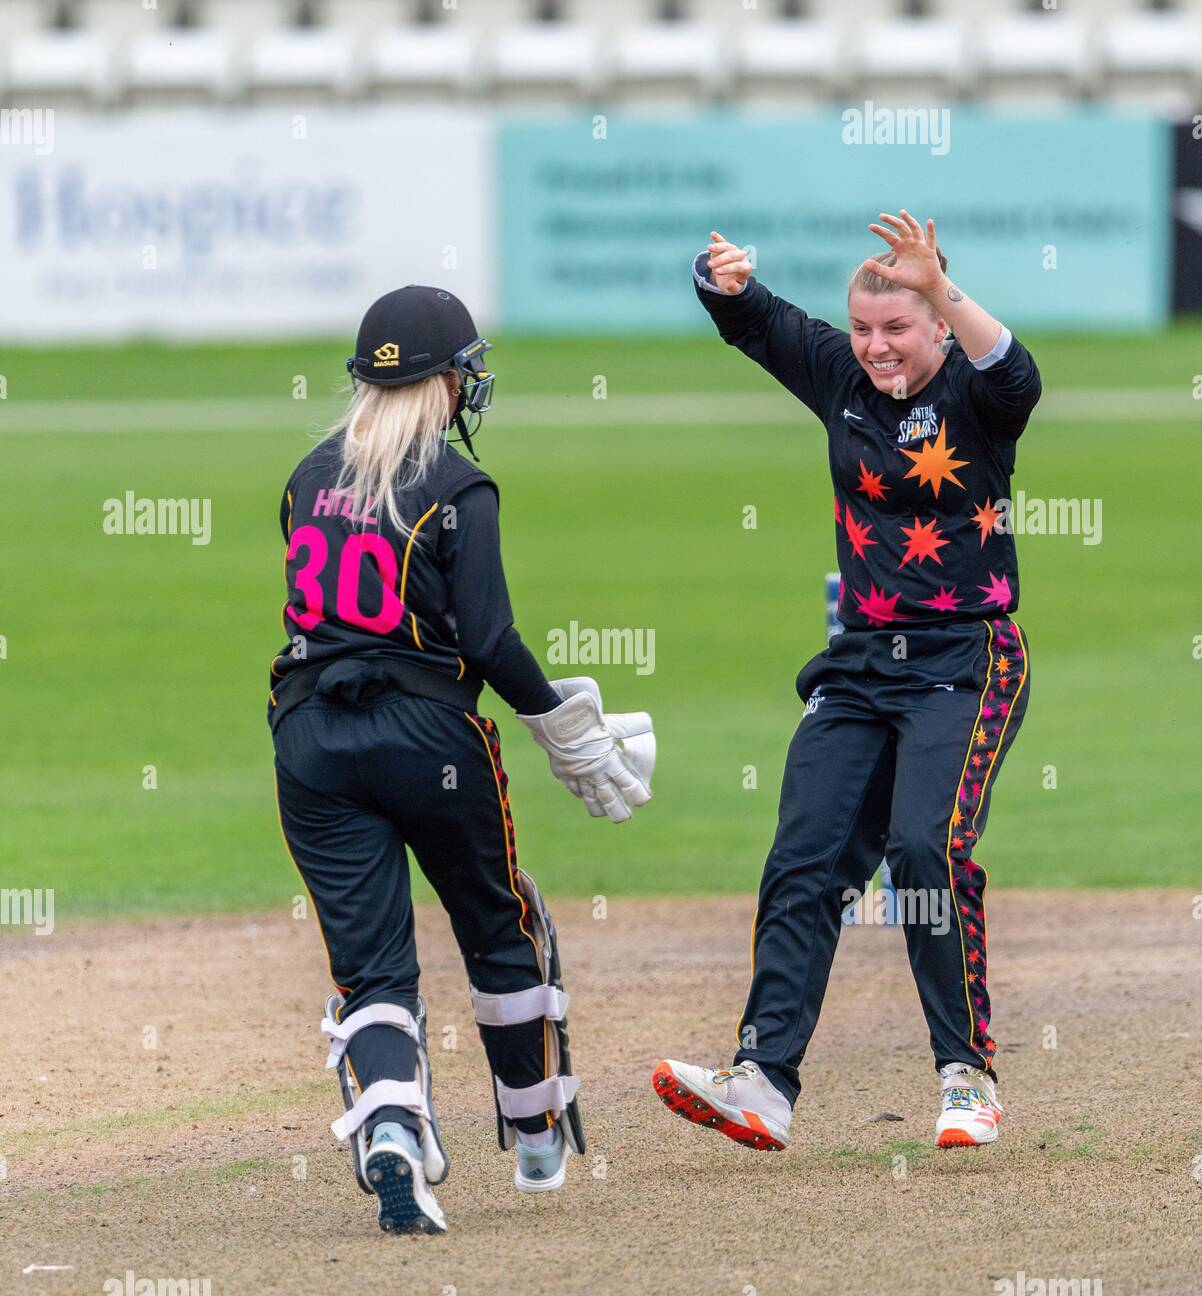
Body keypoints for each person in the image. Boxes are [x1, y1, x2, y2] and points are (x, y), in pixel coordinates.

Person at [269, 285, 655, 1233]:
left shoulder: (303, 478)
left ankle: (392, 1130)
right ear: (444, 382)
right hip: (431, 737)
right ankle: (533, 1138)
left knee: (371, 968)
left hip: (310, 738)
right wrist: (563, 722)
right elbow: (486, 637)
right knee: (496, 925)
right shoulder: (456, 486)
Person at [654, 212, 1040, 1152]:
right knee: (806, 859)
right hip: (861, 663)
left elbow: (1018, 373)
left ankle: (967, 1077)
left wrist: (937, 283)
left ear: (939, 327)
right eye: (863, 328)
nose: (875, 347)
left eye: (896, 328)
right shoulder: (840, 375)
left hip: (966, 659)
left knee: (924, 849)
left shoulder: (976, 396)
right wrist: (724, 280)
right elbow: (752, 322)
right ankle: (764, 1081)